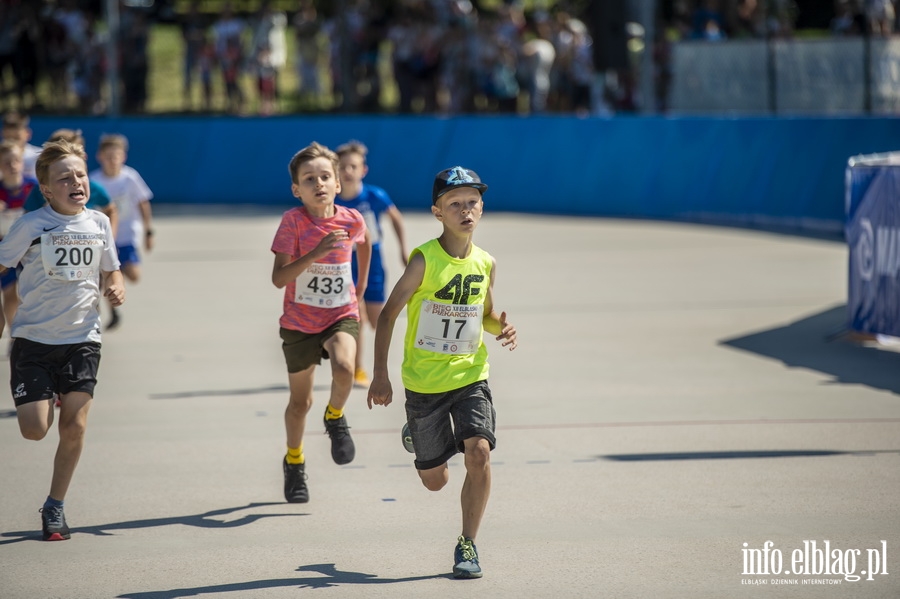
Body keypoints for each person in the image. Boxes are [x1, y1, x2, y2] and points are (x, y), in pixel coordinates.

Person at [367, 166, 517, 579]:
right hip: (424, 384)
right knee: (435, 481)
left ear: (482, 208)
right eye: (455, 204)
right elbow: (388, 316)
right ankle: (417, 432)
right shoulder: (424, 260)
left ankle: (467, 543)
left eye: (472, 202)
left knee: (479, 452)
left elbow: (483, 314)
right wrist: (381, 374)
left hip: (470, 375)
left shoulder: (485, 262)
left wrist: (498, 326)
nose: (465, 210)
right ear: (437, 212)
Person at [0, 138, 125, 541]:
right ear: (47, 189)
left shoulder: (99, 223)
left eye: (80, 174)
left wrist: (116, 284)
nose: (76, 181)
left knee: (74, 426)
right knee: (35, 429)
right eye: (64, 177)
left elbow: (112, 267)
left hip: (82, 339)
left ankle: (55, 507)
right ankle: (48, 393)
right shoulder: (31, 226)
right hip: (34, 340)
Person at [270, 141, 372, 504]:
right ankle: (294, 461)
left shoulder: (352, 219)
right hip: (299, 322)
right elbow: (279, 278)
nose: (319, 184)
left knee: (345, 366)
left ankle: (336, 416)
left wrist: (359, 288)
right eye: (309, 179)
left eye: (325, 176)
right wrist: (316, 253)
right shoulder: (293, 222)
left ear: (338, 183)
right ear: (297, 189)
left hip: (340, 314)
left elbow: (364, 243)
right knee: (300, 403)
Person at [334, 140, 408, 387]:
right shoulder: (332, 200)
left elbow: (395, 218)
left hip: (373, 262)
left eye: (352, 166)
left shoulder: (375, 196)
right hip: (344, 264)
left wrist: (403, 249)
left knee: (378, 320)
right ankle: (358, 369)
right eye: (342, 167)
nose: (347, 171)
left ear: (363, 169)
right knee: (357, 317)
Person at [89, 133, 152, 330]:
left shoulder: (130, 177)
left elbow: (143, 203)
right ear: (100, 156)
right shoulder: (93, 180)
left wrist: (149, 231)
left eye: (116, 155)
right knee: (105, 278)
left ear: (123, 156)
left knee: (133, 275)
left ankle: (119, 271)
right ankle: (113, 310)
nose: (112, 160)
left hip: (126, 235)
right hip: (103, 237)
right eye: (108, 156)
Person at [24, 129, 117, 234]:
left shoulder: (93, 188)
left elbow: (111, 209)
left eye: (76, 151)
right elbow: (27, 217)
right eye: (63, 154)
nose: (70, 157)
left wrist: (110, 237)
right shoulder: (39, 190)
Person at [0, 140, 37, 339]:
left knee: (13, 295)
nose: (12, 166)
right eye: (6, 162)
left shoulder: (33, 189)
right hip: (2, 250)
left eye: (16, 161)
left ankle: (16, 335)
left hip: (24, 251)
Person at [1, 111, 40, 180]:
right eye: (8, 138)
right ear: (2, 134)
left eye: (17, 138)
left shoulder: (39, 157)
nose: (12, 142)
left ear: (27, 134)